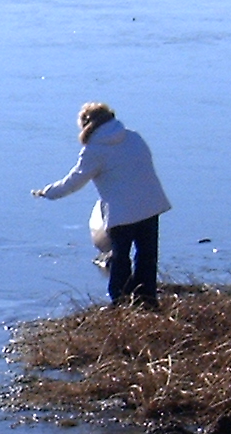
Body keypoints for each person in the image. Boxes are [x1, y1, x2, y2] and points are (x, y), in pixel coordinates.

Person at [32, 103, 170, 307]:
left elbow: (74, 182)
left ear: (87, 124)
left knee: (120, 258)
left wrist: (47, 192)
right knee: (147, 256)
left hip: (122, 213)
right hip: (150, 205)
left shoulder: (95, 150)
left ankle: (120, 302)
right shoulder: (134, 137)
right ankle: (147, 300)